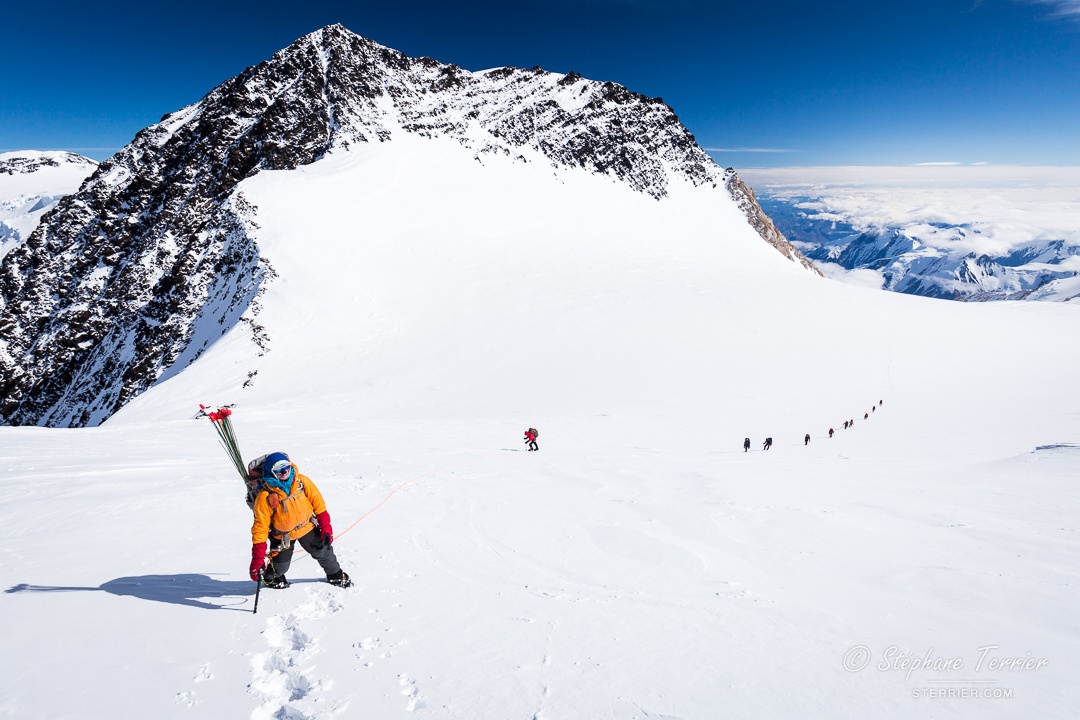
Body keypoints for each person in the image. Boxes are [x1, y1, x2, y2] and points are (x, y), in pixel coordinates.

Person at [247, 452, 352, 589]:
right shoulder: (265, 496)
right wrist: (257, 560)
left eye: (286, 468)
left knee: (324, 552)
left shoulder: (301, 481)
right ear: (270, 472)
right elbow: (260, 528)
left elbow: (318, 504)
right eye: (279, 471)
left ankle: (336, 576)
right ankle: (272, 579)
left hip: (307, 527)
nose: (284, 473)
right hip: (282, 536)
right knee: (280, 567)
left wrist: (326, 527)